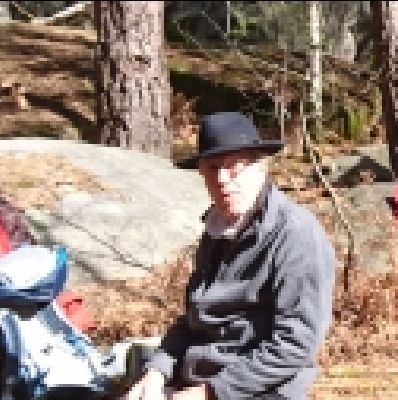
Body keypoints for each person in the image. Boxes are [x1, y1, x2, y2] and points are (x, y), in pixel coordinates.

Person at [126, 112, 338, 400]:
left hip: (259, 390)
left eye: (233, 167)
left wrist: (209, 393)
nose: (223, 180)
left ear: (260, 167)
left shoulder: (296, 234)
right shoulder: (216, 230)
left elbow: (295, 343)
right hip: (195, 381)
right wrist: (156, 372)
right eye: (212, 168)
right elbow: (193, 318)